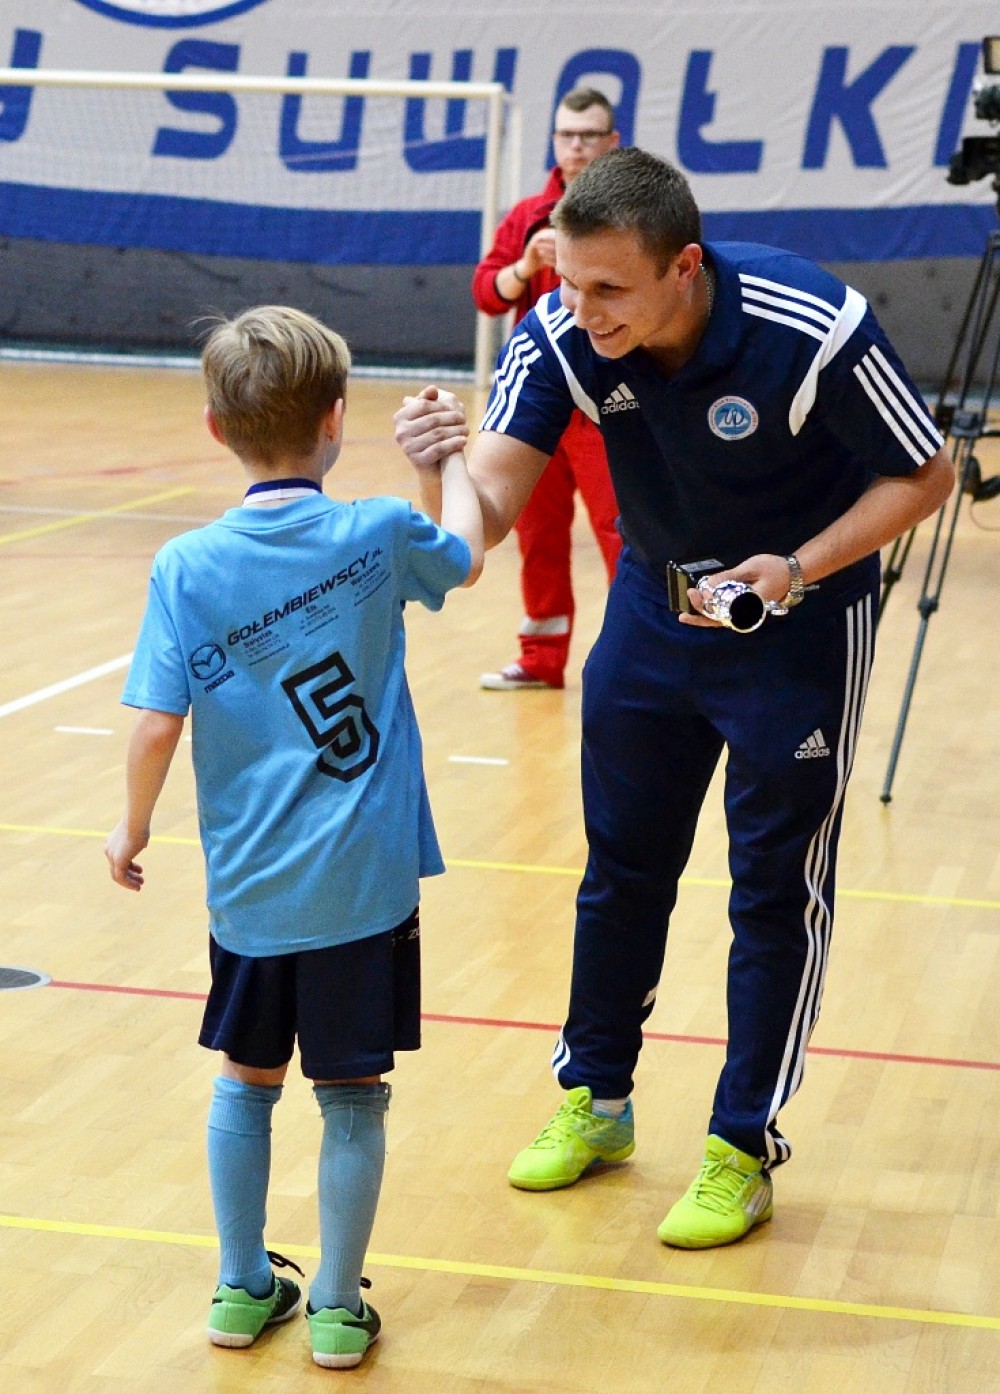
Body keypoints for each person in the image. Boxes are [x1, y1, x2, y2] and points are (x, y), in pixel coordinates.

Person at [394, 149, 954, 1249]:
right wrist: (434, 467)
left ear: (684, 266)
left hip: (797, 624)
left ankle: (742, 1145)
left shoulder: (813, 324)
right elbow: (476, 530)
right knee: (621, 871)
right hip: (651, 623)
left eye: (610, 287)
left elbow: (926, 472)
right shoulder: (559, 332)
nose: (582, 308)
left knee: (772, 890)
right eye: (569, 282)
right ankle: (596, 1100)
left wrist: (797, 568)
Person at [104, 305, 483, 1365]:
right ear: (335, 419)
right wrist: (444, 461)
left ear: (217, 428)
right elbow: (462, 556)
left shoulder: (186, 564)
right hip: (364, 883)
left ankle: (240, 1288)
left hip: (251, 889)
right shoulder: (376, 533)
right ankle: (335, 1307)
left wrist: (131, 827)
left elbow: (155, 722)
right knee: (353, 1094)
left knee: (246, 1076)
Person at [472, 87, 621, 690]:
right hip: (537, 407)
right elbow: (487, 294)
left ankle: (636, 659)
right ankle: (541, 659)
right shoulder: (528, 216)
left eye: (589, 135)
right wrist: (525, 268)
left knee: (623, 535)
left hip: (607, 404)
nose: (576, 146)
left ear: (612, 142)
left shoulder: (632, 215)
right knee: (536, 536)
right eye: (567, 135)